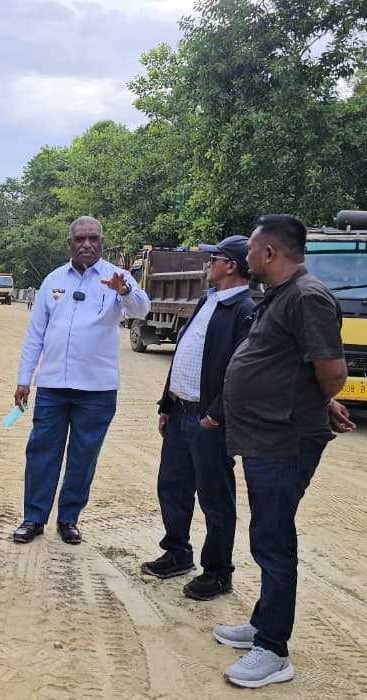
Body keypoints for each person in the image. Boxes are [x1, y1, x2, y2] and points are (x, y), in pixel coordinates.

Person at [212, 214, 355, 688]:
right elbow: (292, 364)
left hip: (284, 439)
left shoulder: (308, 297)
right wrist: (324, 401)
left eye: (251, 250)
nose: (246, 257)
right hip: (266, 437)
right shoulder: (281, 295)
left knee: (273, 541)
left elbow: (331, 370)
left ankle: (273, 649)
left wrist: (321, 399)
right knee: (267, 534)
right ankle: (262, 623)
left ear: (269, 253)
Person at [11, 216, 150, 545]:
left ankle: (69, 519)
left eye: (93, 238)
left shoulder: (117, 278)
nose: (87, 244)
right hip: (53, 387)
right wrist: (24, 379)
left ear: (102, 242)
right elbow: (36, 335)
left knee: (83, 457)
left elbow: (142, 310)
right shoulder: (53, 281)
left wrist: (126, 291)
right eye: (80, 239)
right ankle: (34, 518)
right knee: (42, 452)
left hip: (97, 390)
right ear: (69, 243)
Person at [141, 235, 256, 602]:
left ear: (232, 265)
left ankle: (218, 572)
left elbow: (242, 373)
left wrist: (217, 416)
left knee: (215, 499)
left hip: (209, 421)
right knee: (172, 488)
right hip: (181, 413)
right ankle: (177, 552)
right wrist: (167, 403)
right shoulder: (207, 301)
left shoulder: (244, 311)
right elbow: (184, 357)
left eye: (214, 258)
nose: (208, 264)